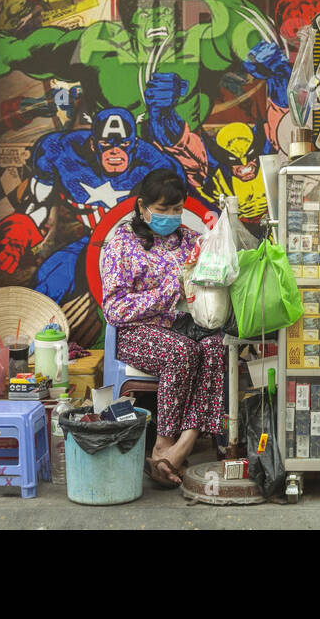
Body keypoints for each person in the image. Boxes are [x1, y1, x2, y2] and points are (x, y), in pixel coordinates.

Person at [99, 168, 225, 486]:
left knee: (214, 347)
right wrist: (169, 291)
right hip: (136, 333)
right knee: (181, 352)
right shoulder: (122, 245)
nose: (171, 216)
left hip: (183, 327)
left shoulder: (192, 242)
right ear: (143, 207)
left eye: (177, 209)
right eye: (162, 209)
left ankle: (184, 445)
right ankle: (163, 442)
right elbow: (115, 309)